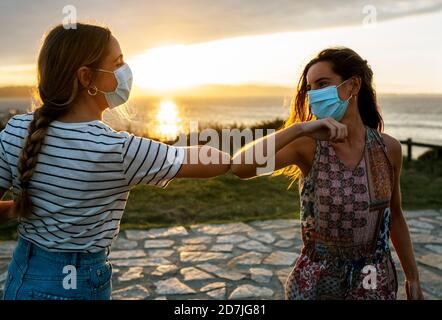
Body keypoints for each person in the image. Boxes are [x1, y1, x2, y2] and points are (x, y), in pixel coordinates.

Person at [0, 23, 230, 300]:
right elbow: (215, 162)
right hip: (75, 284)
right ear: (86, 77)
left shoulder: (16, 129)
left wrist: (20, 208)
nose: (125, 71)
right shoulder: (115, 149)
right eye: (118, 62)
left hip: (22, 275)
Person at [231, 47, 424, 300]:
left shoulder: (389, 149)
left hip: (374, 281)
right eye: (310, 88)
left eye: (323, 84)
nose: (314, 95)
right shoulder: (307, 146)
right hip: (316, 283)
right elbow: (241, 166)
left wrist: (413, 278)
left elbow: (395, 215)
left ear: (353, 85)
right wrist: (299, 128)